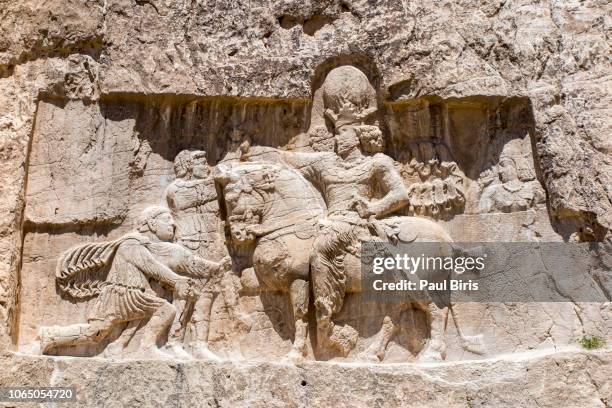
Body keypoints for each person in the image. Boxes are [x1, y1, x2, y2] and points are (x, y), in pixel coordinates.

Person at [40, 206, 223, 358]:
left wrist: (217, 267)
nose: (173, 224)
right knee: (164, 310)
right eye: (167, 219)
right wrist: (175, 280)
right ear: (152, 223)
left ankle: (51, 337)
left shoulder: (149, 246)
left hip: (131, 295)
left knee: (95, 333)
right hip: (123, 295)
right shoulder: (132, 243)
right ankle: (146, 349)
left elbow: (176, 263)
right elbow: (152, 267)